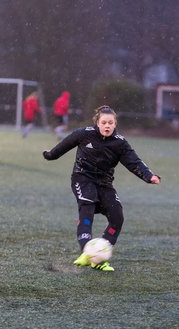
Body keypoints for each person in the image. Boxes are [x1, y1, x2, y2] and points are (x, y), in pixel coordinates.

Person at [43, 105, 161, 272]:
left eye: (110, 123)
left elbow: (134, 162)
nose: (107, 126)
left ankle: (99, 258)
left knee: (117, 217)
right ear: (97, 123)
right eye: (104, 122)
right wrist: (50, 155)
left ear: (115, 124)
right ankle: (86, 251)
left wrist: (149, 176)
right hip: (82, 178)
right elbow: (63, 146)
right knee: (87, 208)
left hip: (105, 184)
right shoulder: (84, 134)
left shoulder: (120, 143)